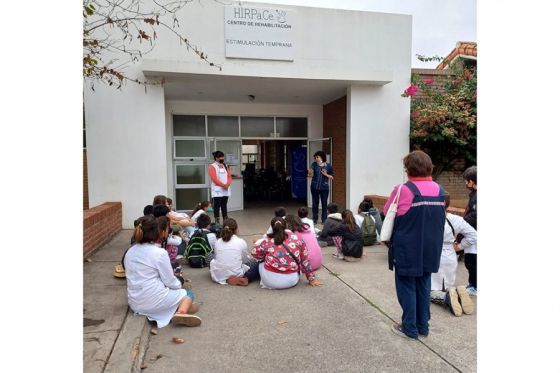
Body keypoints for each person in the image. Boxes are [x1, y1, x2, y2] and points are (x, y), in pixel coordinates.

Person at [384, 150, 446, 340]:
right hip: (431, 248)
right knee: (424, 284)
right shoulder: (440, 190)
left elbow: (387, 211)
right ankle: (423, 326)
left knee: (406, 286)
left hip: (407, 248)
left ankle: (409, 328)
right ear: (429, 168)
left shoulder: (403, 189)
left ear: (408, 169)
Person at [123, 215, 202, 328]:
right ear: (157, 232)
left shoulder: (130, 252)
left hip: (135, 303)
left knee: (170, 290)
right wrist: (180, 284)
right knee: (188, 293)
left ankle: (179, 307)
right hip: (153, 301)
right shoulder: (159, 253)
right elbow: (169, 281)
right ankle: (181, 312)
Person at [430, 194, 476, 317]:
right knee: (447, 286)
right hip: (450, 255)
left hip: (433, 255)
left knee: (428, 291)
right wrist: (459, 247)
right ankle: (456, 292)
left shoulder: (428, 219)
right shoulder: (456, 219)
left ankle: (447, 297)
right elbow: (474, 236)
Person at [252, 217, 322, 289]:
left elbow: (255, 255)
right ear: (287, 226)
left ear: (272, 228)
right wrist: (311, 279)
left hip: (269, 281)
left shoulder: (266, 241)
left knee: (261, 261)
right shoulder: (298, 239)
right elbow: (305, 261)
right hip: (291, 280)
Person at [209, 218, 260, 286]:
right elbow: (245, 260)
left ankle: (226, 277)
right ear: (236, 229)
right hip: (236, 273)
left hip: (219, 275)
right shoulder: (241, 241)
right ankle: (243, 278)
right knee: (257, 263)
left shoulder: (217, 242)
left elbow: (216, 258)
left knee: (208, 256)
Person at [457, 165, 477, 296]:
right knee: (470, 260)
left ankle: (475, 286)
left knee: (472, 261)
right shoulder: (474, 195)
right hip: (472, 232)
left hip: (474, 233)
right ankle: (473, 284)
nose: (465, 183)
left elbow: (475, 215)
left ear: (472, 181)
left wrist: (461, 223)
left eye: (466, 180)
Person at [307, 151, 333, 224]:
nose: (316, 159)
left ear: (322, 157)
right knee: (315, 203)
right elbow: (310, 174)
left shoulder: (328, 166)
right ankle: (315, 219)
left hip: (324, 188)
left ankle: (324, 220)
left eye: (317, 157)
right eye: (315, 157)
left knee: (324, 203)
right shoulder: (314, 164)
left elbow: (332, 177)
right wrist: (309, 172)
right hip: (314, 187)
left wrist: (326, 174)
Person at [209, 151, 232, 224]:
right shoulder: (212, 166)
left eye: (223, 156)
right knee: (217, 206)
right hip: (217, 190)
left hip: (225, 189)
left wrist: (227, 184)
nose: (222, 158)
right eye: (220, 157)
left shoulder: (225, 165)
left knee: (224, 205)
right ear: (216, 158)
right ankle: (217, 220)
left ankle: (225, 219)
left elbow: (229, 176)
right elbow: (214, 178)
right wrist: (223, 185)